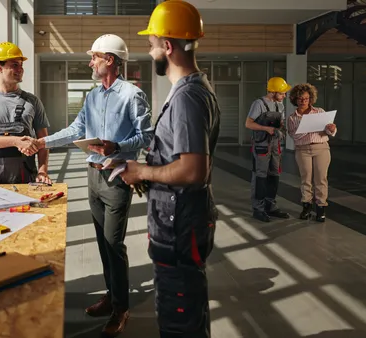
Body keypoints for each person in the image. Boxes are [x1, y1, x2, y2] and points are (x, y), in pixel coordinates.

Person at [30, 34, 153, 337]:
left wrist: (118, 146)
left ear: (109, 60)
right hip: (92, 176)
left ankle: (121, 308)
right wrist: (41, 141)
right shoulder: (93, 95)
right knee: (101, 241)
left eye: (94, 57)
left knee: (114, 243)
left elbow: (147, 136)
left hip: (116, 177)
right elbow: (76, 129)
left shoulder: (132, 95)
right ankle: (112, 295)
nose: (90, 62)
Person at [120, 1, 220, 337]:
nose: (150, 53)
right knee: (186, 310)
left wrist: (142, 173)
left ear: (167, 46)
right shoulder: (189, 91)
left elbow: (193, 171)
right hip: (177, 222)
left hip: (180, 227)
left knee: (180, 318)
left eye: (151, 45)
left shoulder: (188, 96)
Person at [0, 42, 52, 185]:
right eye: (15, 65)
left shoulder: (32, 101)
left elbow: (43, 141)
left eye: (21, 65)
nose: (20, 69)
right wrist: (15, 141)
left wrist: (42, 171)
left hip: (25, 177)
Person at [245, 77, 292, 222]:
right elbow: (248, 124)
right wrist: (266, 128)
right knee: (260, 176)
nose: (284, 95)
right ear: (273, 92)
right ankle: (258, 209)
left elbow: (281, 123)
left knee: (274, 175)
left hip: (275, 145)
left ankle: (270, 206)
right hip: (262, 145)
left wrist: (282, 130)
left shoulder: (280, 105)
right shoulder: (259, 104)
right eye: (282, 93)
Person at [287, 83, 337, 222]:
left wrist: (331, 129)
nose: (303, 101)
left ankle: (321, 208)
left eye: (306, 98)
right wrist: (307, 128)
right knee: (306, 179)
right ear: (295, 100)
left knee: (321, 179)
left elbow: (328, 132)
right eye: (300, 98)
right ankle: (306, 207)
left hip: (321, 148)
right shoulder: (292, 117)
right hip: (303, 150)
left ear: (310, 99)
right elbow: (294, 135)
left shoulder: (319, 112)